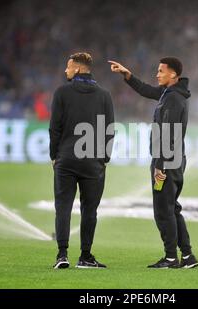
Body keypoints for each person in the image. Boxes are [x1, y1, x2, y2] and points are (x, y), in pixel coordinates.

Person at [109, 57, 198, 269]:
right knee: (172, 208)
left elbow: (167, 134)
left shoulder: (173, 99)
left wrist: (159, 165)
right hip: (173, 159)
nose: (157, 74)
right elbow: (147, 90)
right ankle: (187, 256)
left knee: (162, 210)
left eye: (161, 71)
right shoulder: (171, 94)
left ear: (173, 75)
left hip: (166, 161)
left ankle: (170, 258)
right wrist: (127, 75)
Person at [50, 52, 114, 269]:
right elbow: (109, 130)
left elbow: (55, 128)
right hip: (92, 162)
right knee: (90, 210)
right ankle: (85, 256)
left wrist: (53, 155)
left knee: (63, 208)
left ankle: (62, 255)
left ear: (77, 69)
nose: (65, 70)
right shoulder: (104, 95)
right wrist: (104, 158)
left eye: (68, 67)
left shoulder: (61, 92)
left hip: (66, 159)